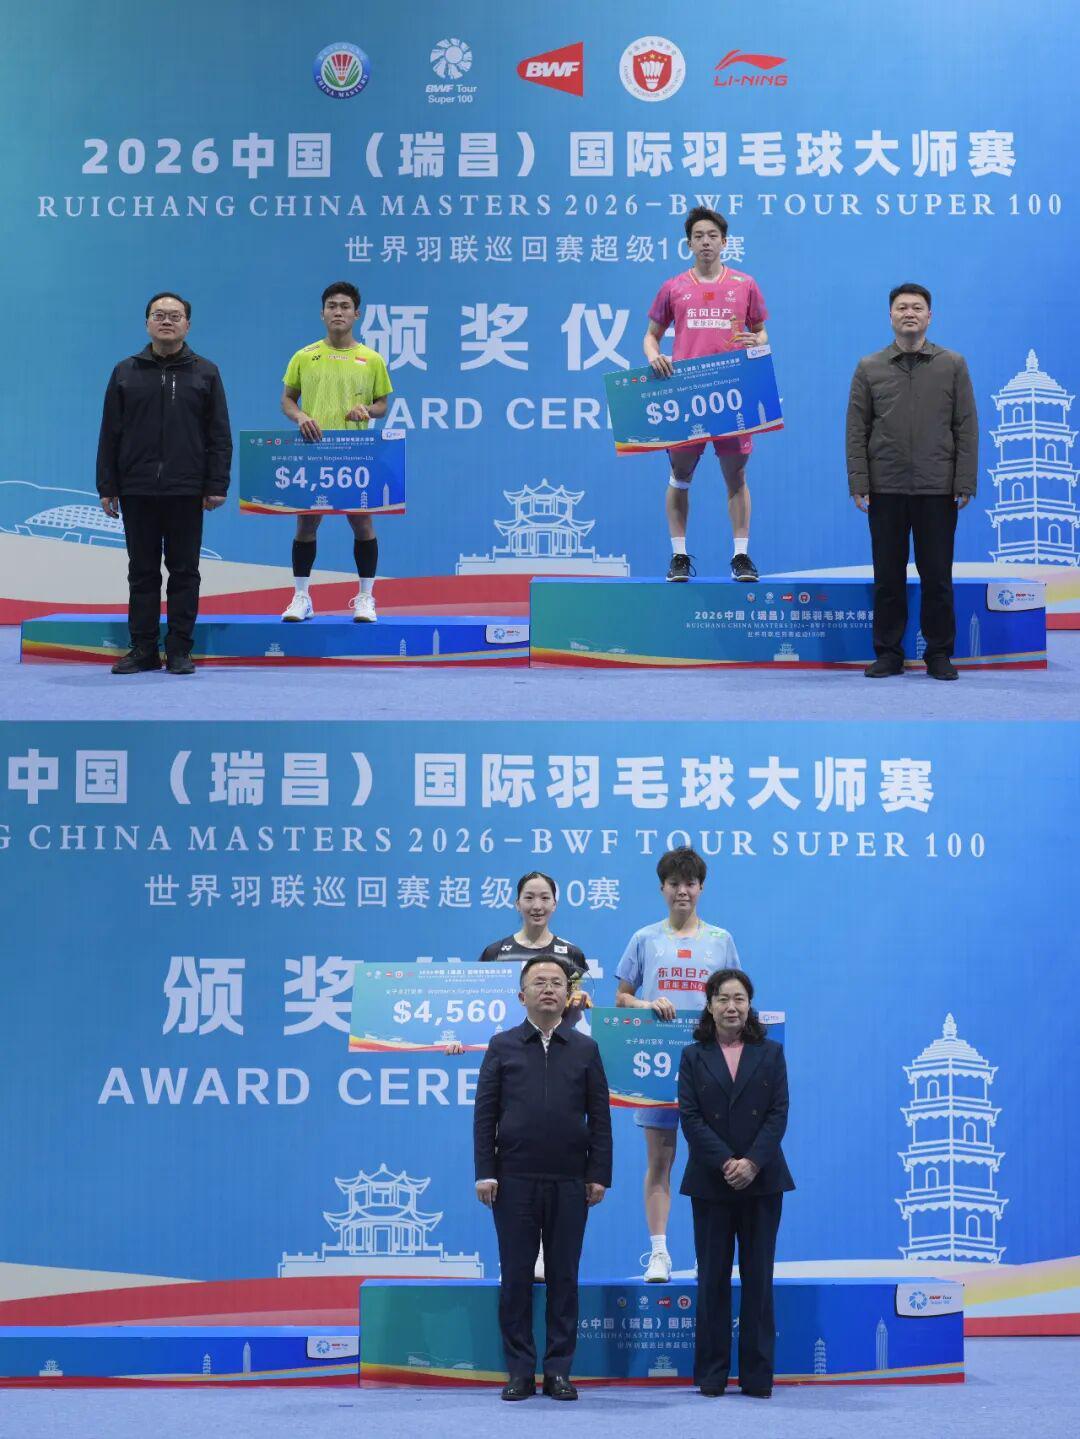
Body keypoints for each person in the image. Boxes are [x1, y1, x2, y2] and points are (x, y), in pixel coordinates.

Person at [473, 957, 612, 1403]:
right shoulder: (502, 1046)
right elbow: (485, 1115)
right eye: (539, 982)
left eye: (556, 982)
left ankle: (558, 1371)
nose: (549, 989)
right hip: (513, 1179)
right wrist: (485, 1172)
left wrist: (598, 1174)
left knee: (564, 1278)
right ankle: (519, 1371)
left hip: (570, 1180)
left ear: (568, 995)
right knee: (515, 1277)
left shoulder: (585, 1049)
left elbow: (600, 1117)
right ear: (522, 995)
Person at [615, 847, 738, 1282]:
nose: (682, 891)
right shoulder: (645, 939)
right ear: (662, 889)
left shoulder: (721, 940)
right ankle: (659, 1253)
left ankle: (711, 1253)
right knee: (660, 1160)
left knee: (714, 1161)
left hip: (711, 1066)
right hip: (658, 1070)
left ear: (701, 888)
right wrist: (647, 1004)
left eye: (690, 883)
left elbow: (736, 998)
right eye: (674, 884)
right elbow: (622, 998)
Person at [846, 283, 978, 681]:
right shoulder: (869, 367)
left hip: (937, 488)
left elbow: (966, 426)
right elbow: (856, 430)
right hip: (885, 487)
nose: (909, 313)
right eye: (902, 307)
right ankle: (889, 653)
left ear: (929, 316)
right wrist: (859, 481)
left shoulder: (952, 364)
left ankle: (939, 653)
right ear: (890, 316)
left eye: (917, 308)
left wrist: (964, 480)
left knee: (937, 576)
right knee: (888, 577)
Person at [96, 292, 232, 675]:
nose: (167, 321)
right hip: (137, 488)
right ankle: (142, 649)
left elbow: (219, 435)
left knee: (184, 571)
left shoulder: (206, 373)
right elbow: (110, 433)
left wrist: (217, 483)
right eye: (159, 315)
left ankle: (179, 650)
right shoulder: (125, 371)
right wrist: (107, 486)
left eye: (175, 315)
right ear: (147, 324)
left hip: (186, 489)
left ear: (187, 324)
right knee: (142, 572)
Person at [678, 967, 793, 1399]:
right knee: (711, 1279)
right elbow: (690, 1117)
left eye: (739, 999)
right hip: (711, 1181)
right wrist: (727, 1161)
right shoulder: (693, 1055)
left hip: (763, 1181)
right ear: (710, 1006)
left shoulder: (771, 1053)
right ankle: (712, 1374)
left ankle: (758, 1376)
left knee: (759, 1280)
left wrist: (752, 1163)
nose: (732, 1006)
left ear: (750, 1005)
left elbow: (778, 1114)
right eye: (723, 999)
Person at [644, 206, 770, 583]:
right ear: (689, 243)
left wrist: (758, 340)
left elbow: (761, 332)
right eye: (698, 236)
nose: (705, 242)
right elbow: (651, 336)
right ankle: (679, 556)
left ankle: (741, 556)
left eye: (712, 236)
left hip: (733, 395)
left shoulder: (745, 284)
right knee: (680, 475)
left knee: (737, 476)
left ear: (724, 242)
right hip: (687, 398)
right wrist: (653, 356)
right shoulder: (674, 287)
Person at [279, 281, 393, 623]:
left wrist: (367, 410)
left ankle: (366, 598)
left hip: (355, 452)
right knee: (306, 523)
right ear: (322, 313)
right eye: (332, 306)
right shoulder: (304, 356)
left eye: (345, 306)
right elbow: (288, 399)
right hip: (313, 449)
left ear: (357, 314)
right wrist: (300, 417)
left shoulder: (371, 359)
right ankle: (301, 597)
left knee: (362, 522)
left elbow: (382, 404)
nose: (338, 312)